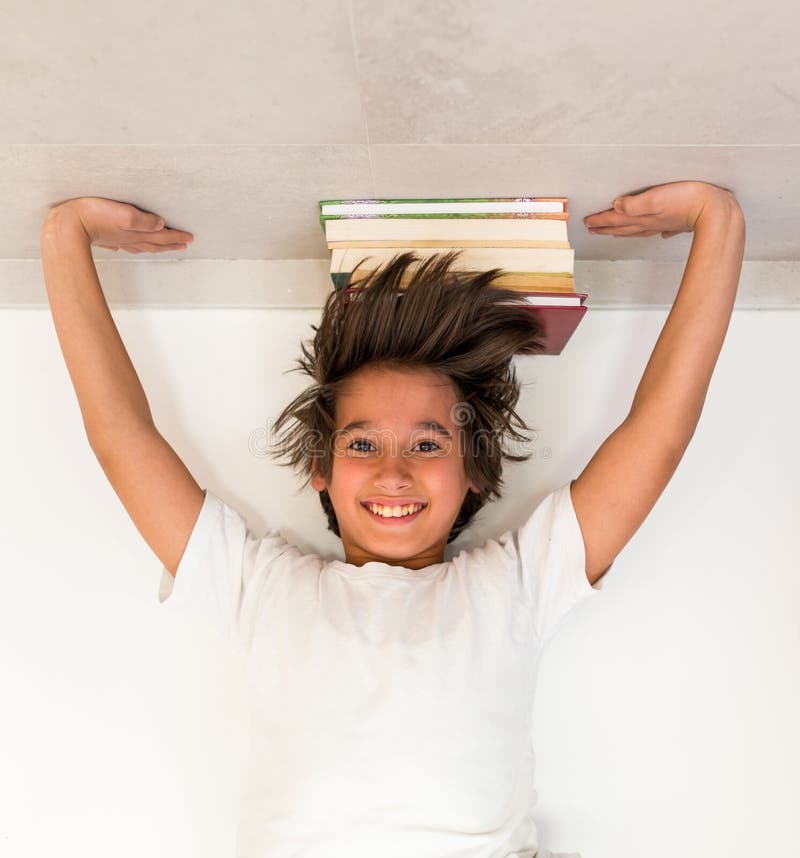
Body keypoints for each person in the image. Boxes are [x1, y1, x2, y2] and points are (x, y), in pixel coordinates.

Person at [39, 180, 745, 858]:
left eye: (428, 443)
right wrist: (64, 235)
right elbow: (122, 438)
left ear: (472, 472)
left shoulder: (519, 583)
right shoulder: (258, 586)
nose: (393, 472)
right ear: (322, 467)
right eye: (363, 443)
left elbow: (657, 435)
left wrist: (720, 223)